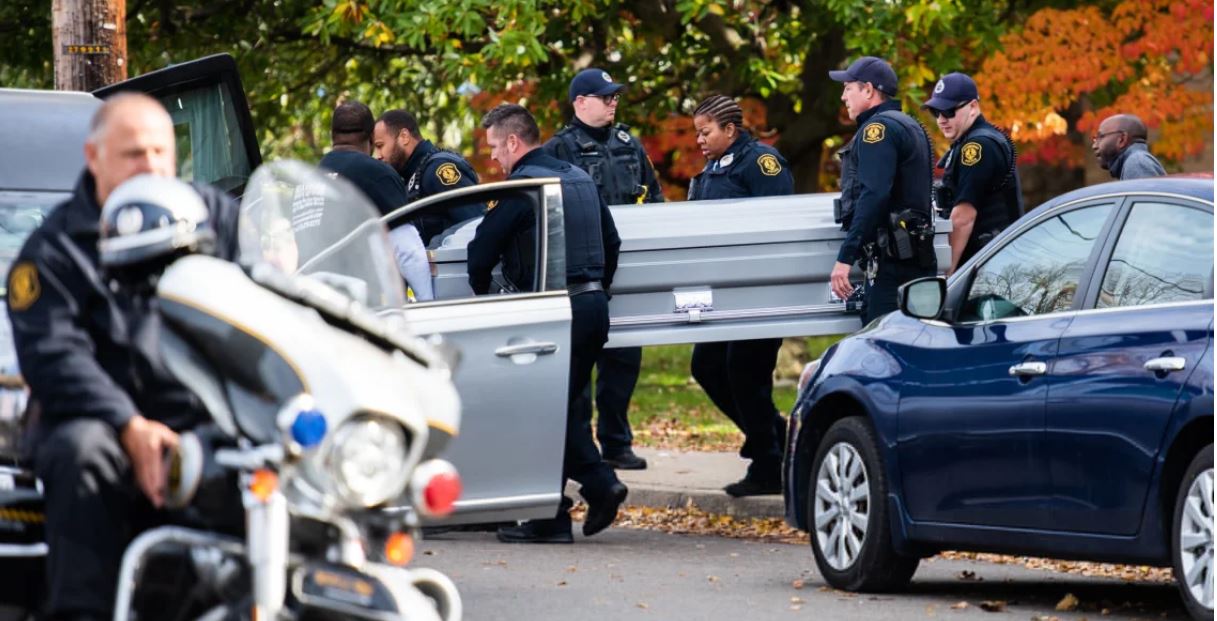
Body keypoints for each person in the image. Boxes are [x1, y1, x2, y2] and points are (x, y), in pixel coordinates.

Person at [6, 93, 240, 619]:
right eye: (134, 153)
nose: (151, 165)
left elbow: (268, 304)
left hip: (204, 422)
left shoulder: (217, 217)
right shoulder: (55, 248)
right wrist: (128, 424)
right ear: (95, 158)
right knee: (82, 452)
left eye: (160, 151)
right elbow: (54, 356)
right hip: (101, 427)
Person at [469, 103, 628, 544]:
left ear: (514, 142)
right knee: (563, 406)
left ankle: (599, 485)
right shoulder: (578, 179)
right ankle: (550, 516)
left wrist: (484, 298)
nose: (496, 159)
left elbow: (481, 253)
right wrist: (598, 288)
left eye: (496, 149)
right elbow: (612, 242)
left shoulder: (525, 187)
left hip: (554, 313)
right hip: (593, 307)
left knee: (541, 409)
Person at [543, 68, 665, 471]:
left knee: (624, 358)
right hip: (580, 269)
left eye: (615, 97)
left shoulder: (630, 142)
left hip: (625, 263)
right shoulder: (559, 149)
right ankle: (580, 449)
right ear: (580, 102)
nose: (614, 103)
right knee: (579, 364)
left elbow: (655, 196)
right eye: (605, 97)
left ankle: (616, 441)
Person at [686, 94, 793, 497]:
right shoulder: (712, 169)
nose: (699, 140)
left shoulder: (762, 163)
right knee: (707, 366)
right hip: (722, 290)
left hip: (758, 289)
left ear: (730, 130)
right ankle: (774, 436)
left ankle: (769, 462)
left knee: (746, 375)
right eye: (697, 132)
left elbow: (780, 221)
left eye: (705, 131)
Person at [827, 56, 937, 324]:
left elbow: (874, 195)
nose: (843, 96)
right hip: (915, 260)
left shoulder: (877, 129)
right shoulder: (907, 124)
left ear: (868, 90)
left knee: (881, 349)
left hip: (893, 267)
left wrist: (845, 258)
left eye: (848, 88)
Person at [317, 101, 432, 301]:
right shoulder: (375, 173)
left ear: (332, 136)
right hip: (368, 309)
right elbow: (408, 250)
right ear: (371, 137)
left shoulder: (312, 177)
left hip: (318, 304)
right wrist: (429, 305)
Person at [922, 72, 1023, 275]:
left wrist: (945, 273)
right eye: (936, 112)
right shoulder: (974, 141)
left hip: (989, 265)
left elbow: (964, 217)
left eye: (949, 111)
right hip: (993, 260)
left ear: (973, 107)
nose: (941, 119)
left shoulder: (977, 146)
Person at [372, 109, 484, 245]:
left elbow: (475, 224)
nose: (377, 155)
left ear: (404, 137)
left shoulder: (438, 169)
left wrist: (434, 247)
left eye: (380, 146)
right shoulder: (412, 175)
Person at [1092, 113, 1166, 180]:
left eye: (1100, 137)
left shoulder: (1136, 163)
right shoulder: (1136, 161)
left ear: (1122, 139)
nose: (1094, 146)